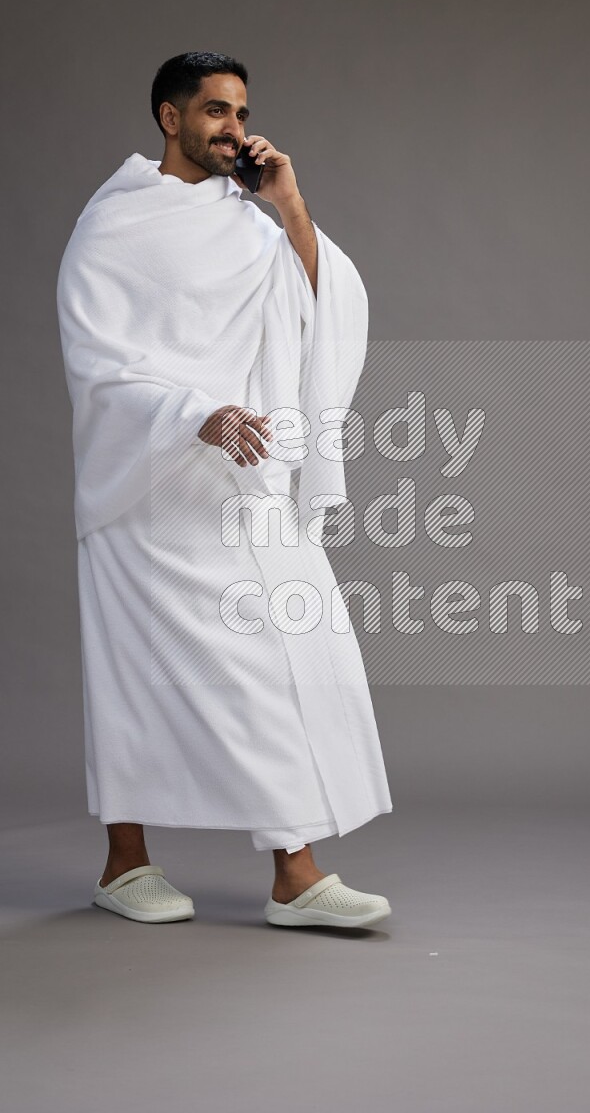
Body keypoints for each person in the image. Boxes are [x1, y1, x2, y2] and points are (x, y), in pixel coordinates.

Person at [56, 51, 393, 929]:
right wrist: (192, 413)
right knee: (136, 676)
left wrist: (288, 207)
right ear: (169, 118)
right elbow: (99, 363)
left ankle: (296, 875)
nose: (232, 128)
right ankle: (125, 865)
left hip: (248, 484)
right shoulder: (114, 227)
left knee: (282, 664)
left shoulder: (251, 221)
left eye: (239, 111)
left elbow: (325, 311)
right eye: (213, 111)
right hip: (152, 487)